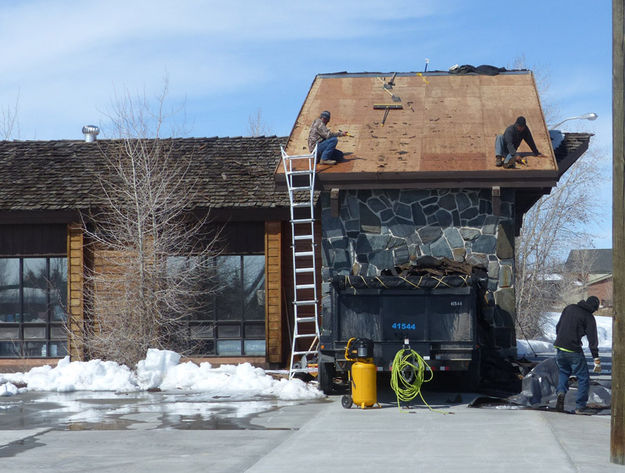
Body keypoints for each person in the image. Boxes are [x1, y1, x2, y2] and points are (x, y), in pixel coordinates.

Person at [553, 296, 602, 415]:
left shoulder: (569, 308)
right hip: (573, 349)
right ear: (594, 308)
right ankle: (580, 406)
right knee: (583, 377)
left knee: (564, 372)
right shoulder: (589, 317)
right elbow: (592, 339)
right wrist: (596, 358)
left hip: (559, 347)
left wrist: (562, 339)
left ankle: (561, 393)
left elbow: (558, 327)